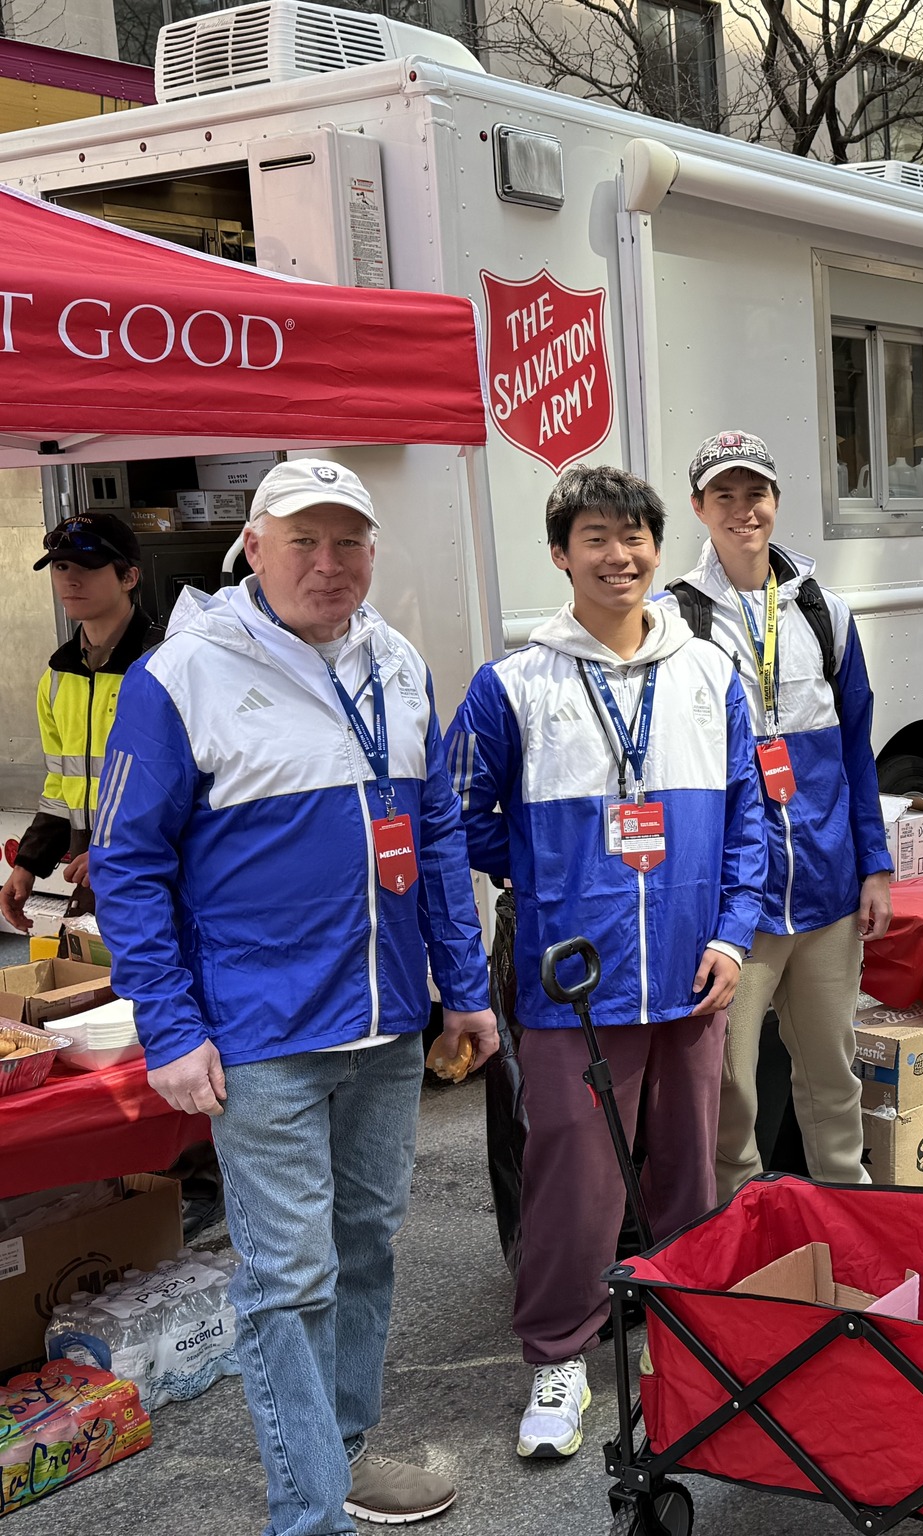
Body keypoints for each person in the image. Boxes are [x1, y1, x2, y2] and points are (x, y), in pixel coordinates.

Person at [93, 460, 499, 1534]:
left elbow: (440, 830)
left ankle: (344, 1457)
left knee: (365, 1249)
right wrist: (170, 1030)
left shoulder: (397, 661)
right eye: (304, 543)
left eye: (349, 543)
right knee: (288, 1280)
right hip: (258, 1036)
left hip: (381, 1024)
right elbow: (128, 866)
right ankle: (304, 1513)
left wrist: (462, 985)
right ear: (254, 548)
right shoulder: (181, 676)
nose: (329, 566)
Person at [447, 464, 764, 1461]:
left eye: (633, 538)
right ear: (559, 553)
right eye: (594, 538)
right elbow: (461, 817)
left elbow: (750, 817)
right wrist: (548, 881)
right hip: (571, 983)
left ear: (656, 550)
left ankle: (685, 1338)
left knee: (686, 1176)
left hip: (690, 974)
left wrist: (731, 932)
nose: (617, 556)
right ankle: (556, 1358)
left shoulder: (710, 675)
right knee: (573, 1184)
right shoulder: (513, 685)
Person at [664, 432, 893, 1201]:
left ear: (775, 502)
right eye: (723, 495)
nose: (742, 510)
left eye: (754, 493)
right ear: (699, 509)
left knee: (834, 1079)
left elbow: (859, 750)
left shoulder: (825, 610)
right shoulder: (673, 621)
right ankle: (746, 1244)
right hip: (737, 909)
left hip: (827, 892)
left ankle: (848, 1221)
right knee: (731, 1097)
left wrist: (877, 865)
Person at [1, 513, 162, 931]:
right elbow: (61, 785)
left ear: (129, 577)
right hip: (88, 874)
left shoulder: (166, 665)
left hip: (160, 875)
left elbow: (197, 785)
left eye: (88, 568)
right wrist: (28, 864)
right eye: (60, 567)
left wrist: (123, 848)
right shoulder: (58, 676)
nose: (70, 580)